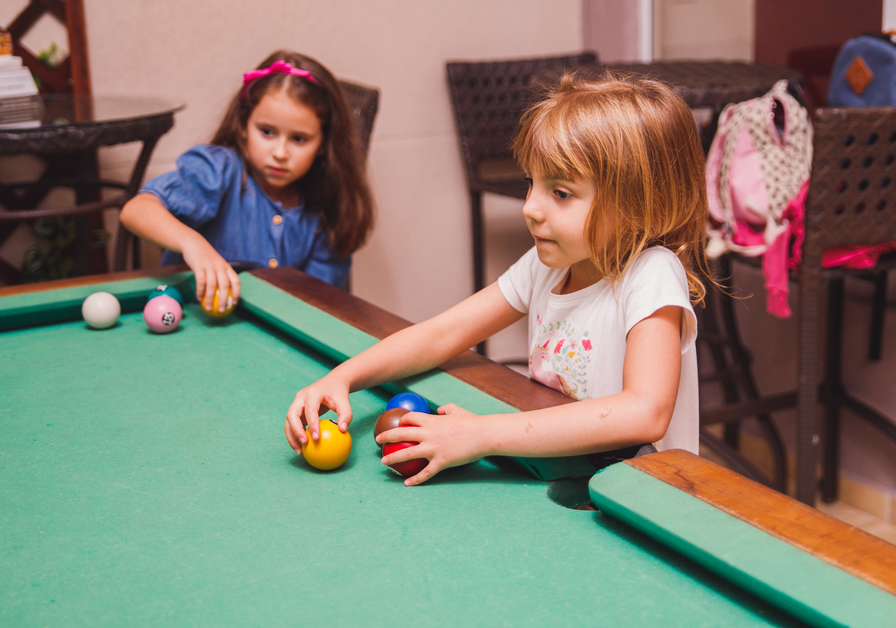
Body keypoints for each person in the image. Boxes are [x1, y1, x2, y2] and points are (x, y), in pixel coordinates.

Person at [285, 73, 708, 485]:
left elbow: (644, 411)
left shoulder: (650, 274)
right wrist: (342, 378)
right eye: (531, 182)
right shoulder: (546, 267)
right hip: (564, 477)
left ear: (638, 204)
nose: (530, 208)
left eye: (560, 193)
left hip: (645, 493)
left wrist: (481, 434)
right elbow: (440, 334)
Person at [120, 50, 375, 310]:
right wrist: (193, 244)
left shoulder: (326, 214)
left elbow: (320, 304)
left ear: (323, 143)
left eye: (299, 139)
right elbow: (136, 210)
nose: (280, 153)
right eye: (267, 132)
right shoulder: (219, 170)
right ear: (243, 125)